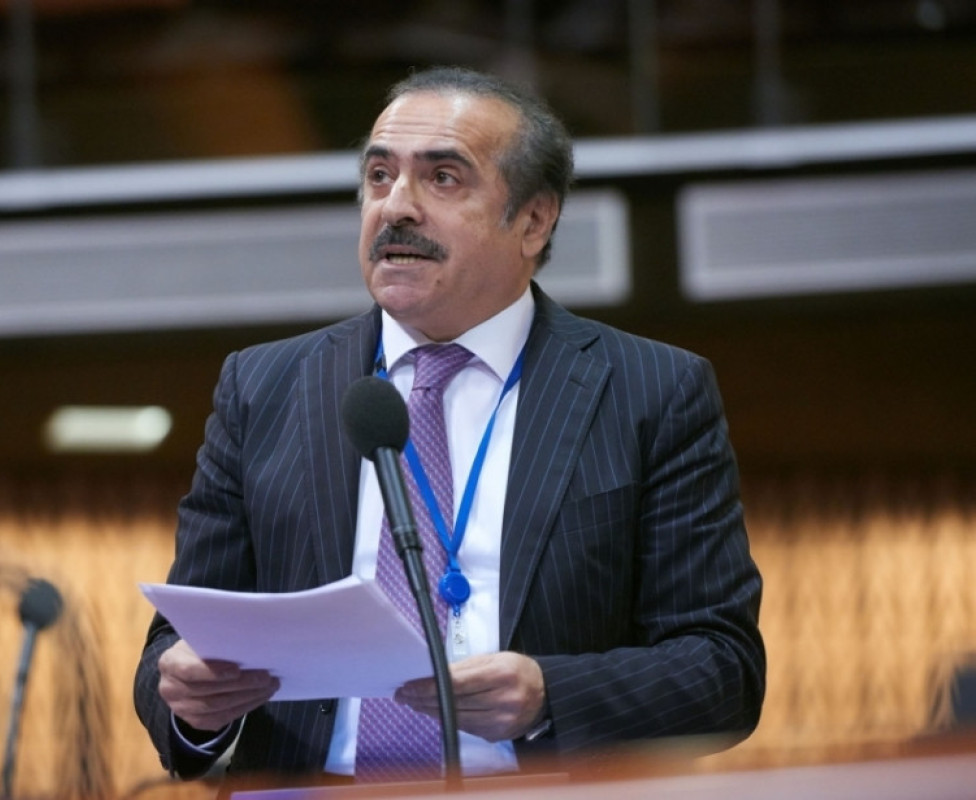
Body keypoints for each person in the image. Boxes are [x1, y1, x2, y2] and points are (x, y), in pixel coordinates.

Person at [134, 65, 765, 786]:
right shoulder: (264, 386)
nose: (395, 207)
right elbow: (172, 648)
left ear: (533, 221)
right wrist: (192, 704)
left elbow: (723, 669)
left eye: (442, 178)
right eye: (379, 176)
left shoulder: (650, 391)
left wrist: (549, 696)